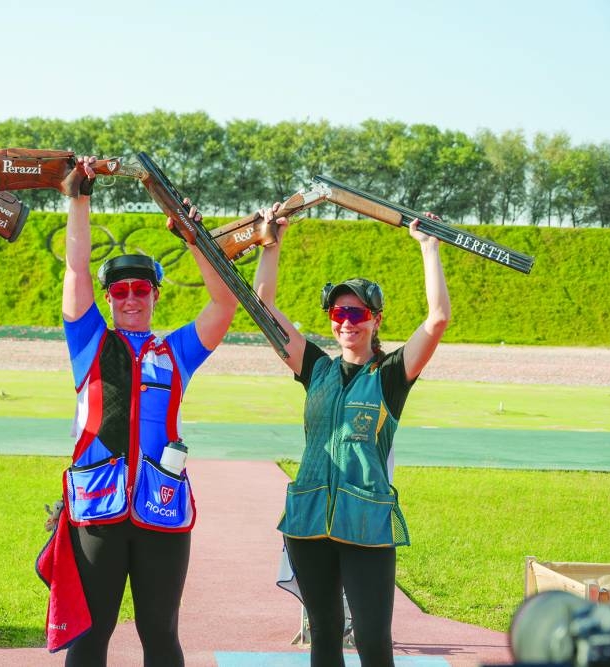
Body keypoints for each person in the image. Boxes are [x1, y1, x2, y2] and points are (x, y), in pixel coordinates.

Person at [42, 157, 239, 666]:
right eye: (121, 291)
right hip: (99, 507)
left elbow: (223, 306)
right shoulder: (88, 341)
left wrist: (194, 237)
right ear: (109, 298)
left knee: (160, 633)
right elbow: (74, 268)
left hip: (162, 506)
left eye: (141, 290)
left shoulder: (176, 351)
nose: (131, 299)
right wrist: (78, 199)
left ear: (154, 294)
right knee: (92, 635)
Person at [253, 205, 451, 667]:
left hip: (366, 525)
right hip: (310, 521)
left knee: (372, 641)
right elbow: (262, 307)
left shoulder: (391, 374)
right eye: (339, 312)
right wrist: (271, 243)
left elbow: (437, 318)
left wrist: (429, 246)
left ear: (376, 319)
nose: (346, 321)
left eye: (357, 311)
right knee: (323, 634)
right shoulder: (316, 368)